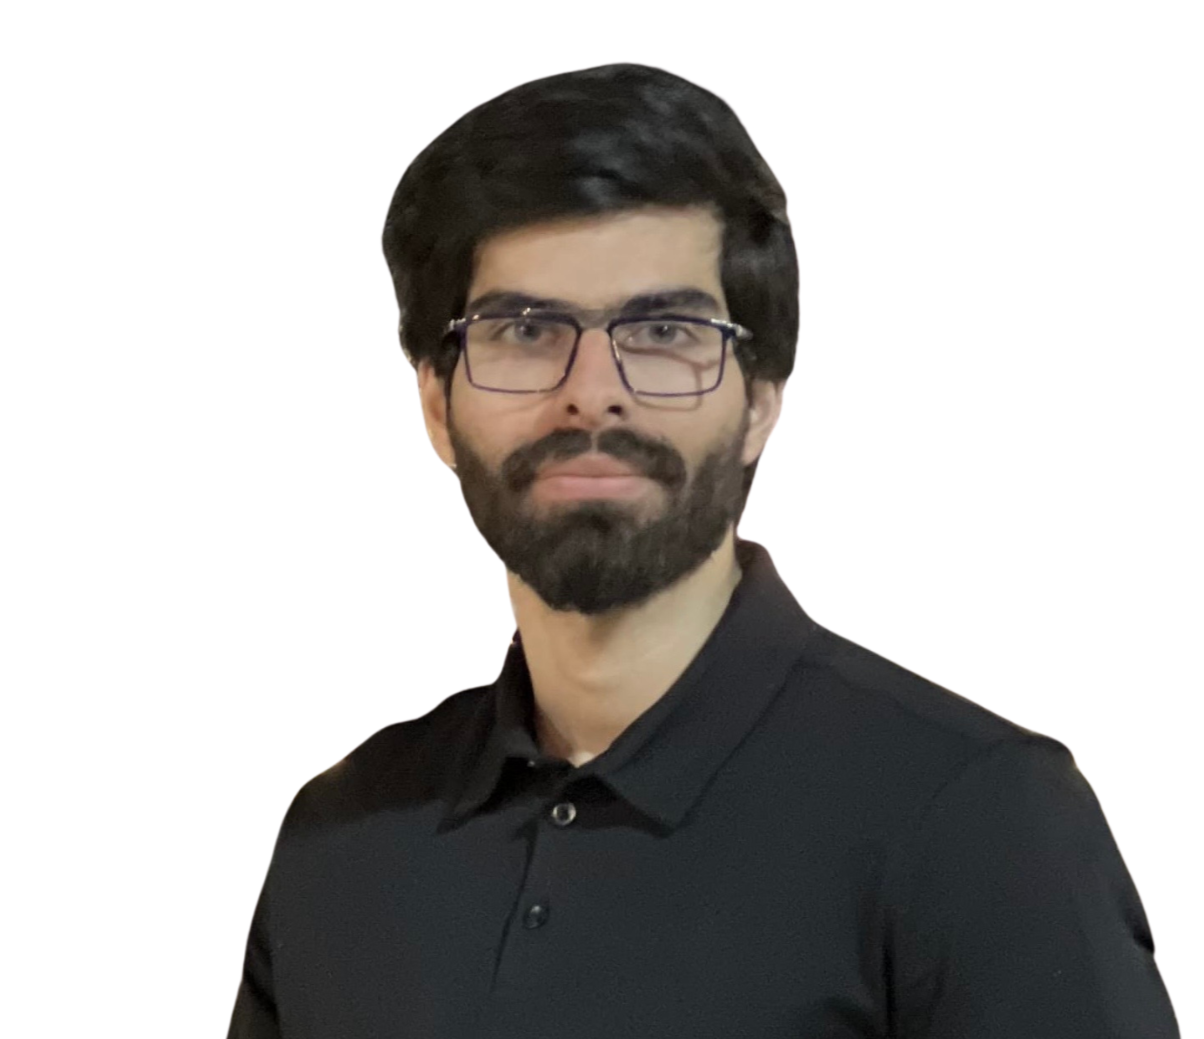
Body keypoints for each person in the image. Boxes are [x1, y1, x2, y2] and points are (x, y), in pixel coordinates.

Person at [226, 63, 1179, 1038]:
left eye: (663, 330)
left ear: (758, 398)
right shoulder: (340, 841)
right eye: (522, 328)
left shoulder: (975, 821)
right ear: (437, 400)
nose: (591, 390)